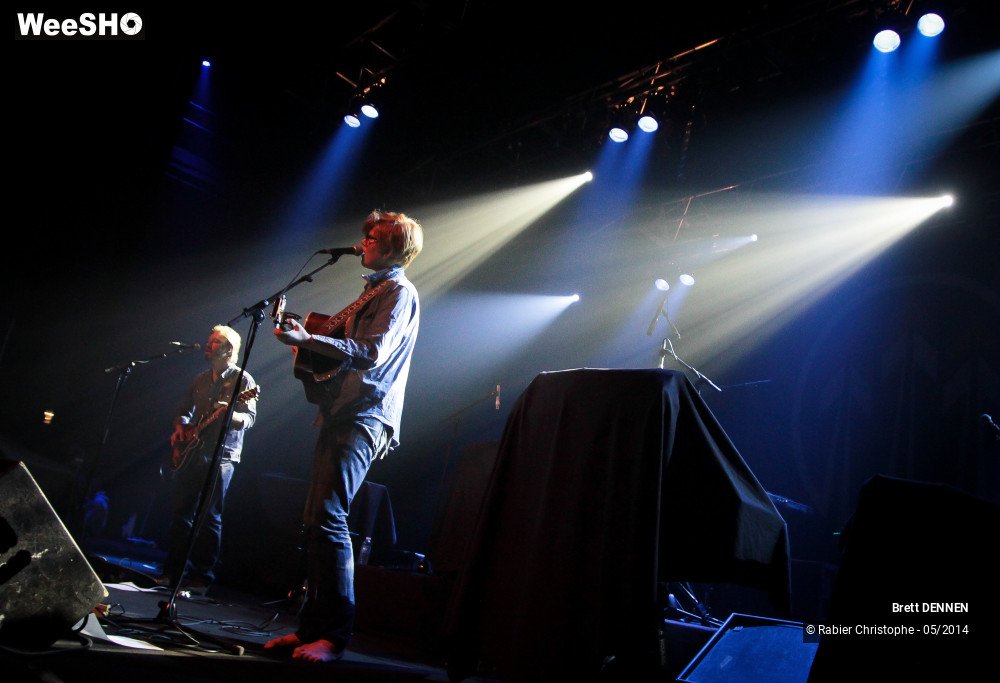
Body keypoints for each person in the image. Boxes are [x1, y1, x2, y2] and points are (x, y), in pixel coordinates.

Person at [265, 210, 423, 662]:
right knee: (316, 521)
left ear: (393, 245)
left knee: (330, 518)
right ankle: (311, 629)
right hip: (342, 411)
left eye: (373, 238)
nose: (363, 243)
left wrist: (309, 340)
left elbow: (372, 353)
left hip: (366, 415)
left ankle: (334, 636)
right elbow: (337, 353)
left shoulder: (398, 291)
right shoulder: (372, 291)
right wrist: (303, 341)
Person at [159, 324, 257, 592]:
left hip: (223, 455)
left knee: (209, 516)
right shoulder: (200, 379)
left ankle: (203, 576)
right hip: (194, 453)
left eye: (214, 342)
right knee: (182, 513)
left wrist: (230, 414)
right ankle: (173, 571)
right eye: (209, 340)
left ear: (228, 349)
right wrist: (181, 426)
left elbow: (248, 419)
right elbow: (184, 410)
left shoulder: (243, 380)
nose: (208, 344)